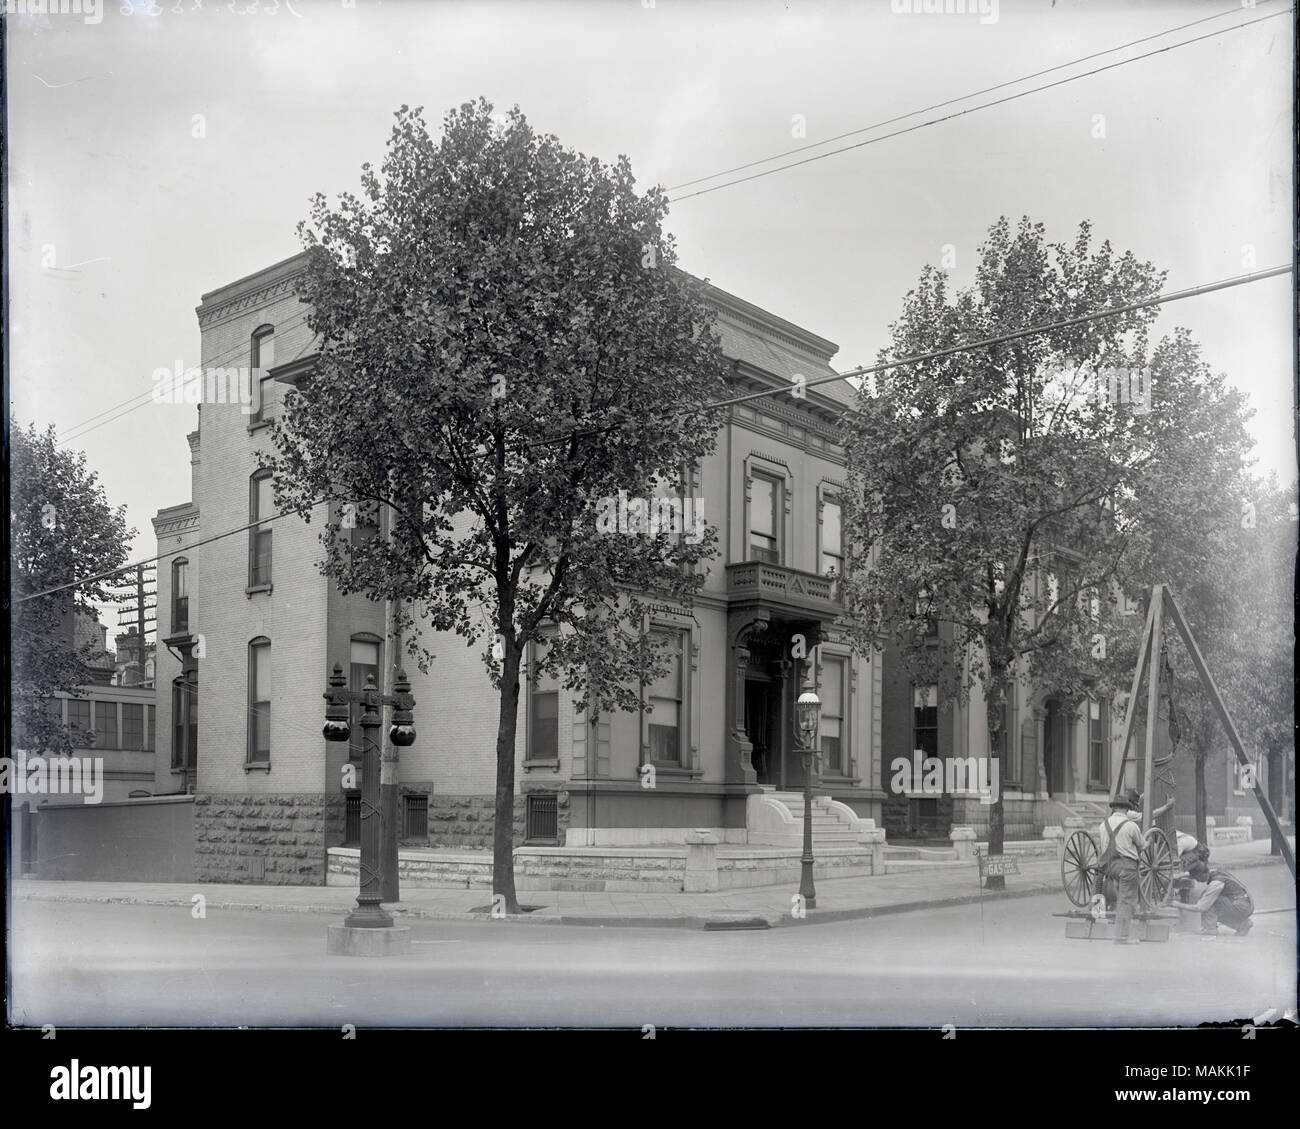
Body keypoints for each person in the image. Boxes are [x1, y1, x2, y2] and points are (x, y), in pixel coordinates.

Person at [1097, 788, 1147, 944]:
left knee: (1120, 895)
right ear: (1126, 809)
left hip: (1109, 867)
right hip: (1127, 867)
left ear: (1113, 808)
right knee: (1127, 901)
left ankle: (1100, 913)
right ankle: (1121, 937)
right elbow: (1142, 845)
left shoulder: (1102, 825)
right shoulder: (1131, 826)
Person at [1181, 859, 1254, 936]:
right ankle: (1243, 925)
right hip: (1245, 902)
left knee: (1210, 900)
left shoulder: (1216, 883)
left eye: (1197, 878)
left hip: (1242, 906)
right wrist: (1180, 876)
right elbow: (1196, 874)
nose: (1197, 881)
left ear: (1202, 875)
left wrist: (1177, 904)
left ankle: (1209, 929)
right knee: (1213, 903)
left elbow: (1202, 907)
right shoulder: (1213, 871)